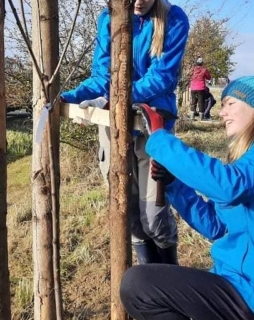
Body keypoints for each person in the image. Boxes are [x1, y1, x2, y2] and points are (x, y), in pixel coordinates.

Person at [121, 73, 254, 319]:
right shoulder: (252, 153)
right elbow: (217, 226)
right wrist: (175, 185)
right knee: (143, 285)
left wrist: (161, 140)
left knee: (139, 284)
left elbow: (231, 185)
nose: (222, 113)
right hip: (237, 283)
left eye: (230, 103)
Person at [61, 0, 190, 265]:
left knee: (153, 215)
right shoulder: (108, 18)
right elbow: (101, 74)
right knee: (127, 212)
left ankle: (170, 277)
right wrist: (68, 98)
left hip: (152, 124)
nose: (139, 1)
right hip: (114, 126)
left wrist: (113, 99)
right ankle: (149, 281)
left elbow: (161, 77)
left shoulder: (173, 18)